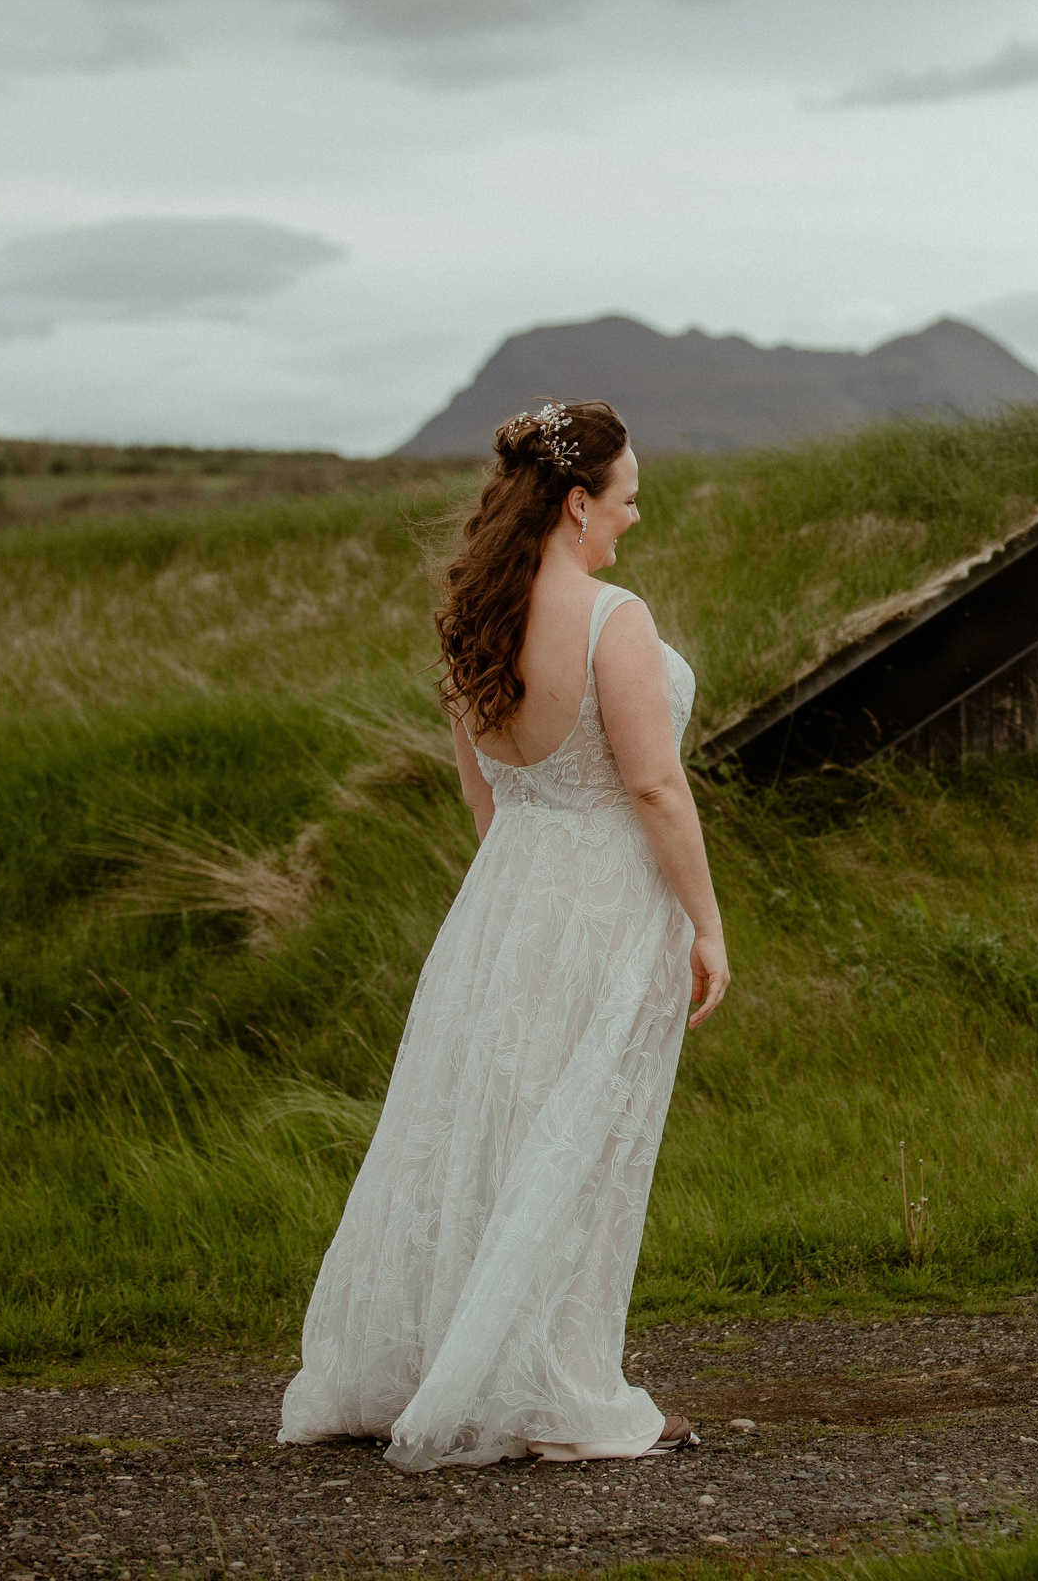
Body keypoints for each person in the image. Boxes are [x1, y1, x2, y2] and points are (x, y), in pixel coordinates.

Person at [279, 399, 730, 1470]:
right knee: (585, 1144)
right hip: (606, 899)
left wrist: (519, 883)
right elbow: (656, 785)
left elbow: (486, 799)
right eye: (624, 501)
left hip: (506, 896)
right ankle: (558, 1391)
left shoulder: (477, 616)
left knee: (488, 1131)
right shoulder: (609, 618)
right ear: (578, 503)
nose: (632, 519)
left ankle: (444, 1364)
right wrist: (705, 925)